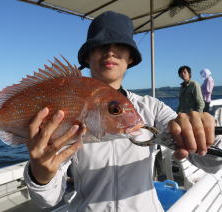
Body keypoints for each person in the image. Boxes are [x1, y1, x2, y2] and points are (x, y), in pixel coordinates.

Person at [23, 11, 220, 211]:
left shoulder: (151, 107)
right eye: (100, 45)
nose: (110, 51)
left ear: (130, 58)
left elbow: (212, 162)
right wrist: (41, 176)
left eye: (120, 45)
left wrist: (203, 131)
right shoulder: (67, 110)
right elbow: (48, 200)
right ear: (87, 57)